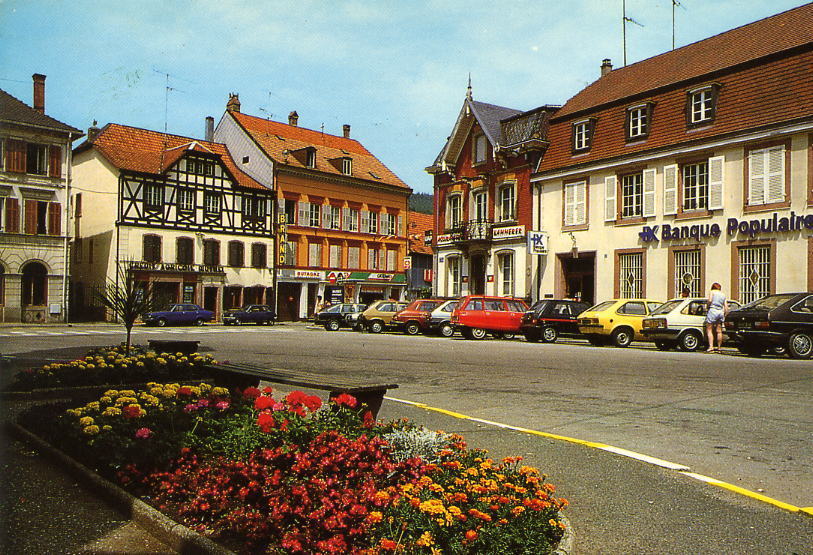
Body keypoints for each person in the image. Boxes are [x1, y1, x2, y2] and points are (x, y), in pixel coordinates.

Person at [705, 283, 728, 352]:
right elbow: (726, 307)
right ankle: (719, 347)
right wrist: (725, 314)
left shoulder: (712, 292)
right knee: (719, 331)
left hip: (713, 310)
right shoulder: (723, 295)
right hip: (720, 312)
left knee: (709, 329)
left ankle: (711, 346)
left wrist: (707, 307)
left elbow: (709, 300)